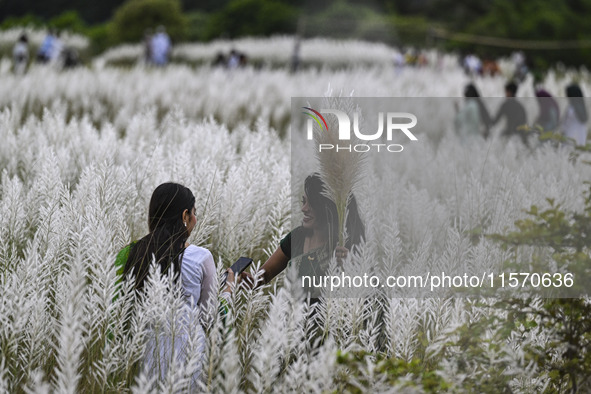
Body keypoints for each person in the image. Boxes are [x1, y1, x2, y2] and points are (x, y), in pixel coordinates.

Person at [121, 182, 235, 384]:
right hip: (189, 359)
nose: (195, 219)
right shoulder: (201, 257)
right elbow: (209, 320)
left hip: (145, 362)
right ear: (185, 216)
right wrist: (228, 288)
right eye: (194, 213)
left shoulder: (133, 253)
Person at [246, 174, 365, 289]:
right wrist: (244, 280)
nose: (304, 209)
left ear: (327, 208)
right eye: (304, 202)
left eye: (311, 204)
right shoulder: (298, 237)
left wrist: (352, 268)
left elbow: (371, 292)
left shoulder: (346, 243)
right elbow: (265, 275)